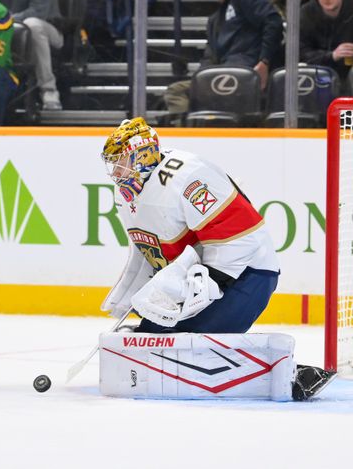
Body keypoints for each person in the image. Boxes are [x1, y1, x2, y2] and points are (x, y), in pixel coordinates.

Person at [98, 117, 334, 400]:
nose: (116, 169)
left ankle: (289, 371)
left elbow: (239, 238)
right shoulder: (128, 191)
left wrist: (196, 291)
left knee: (188, 345)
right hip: (196, 277)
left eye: (121, 161)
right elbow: (149, 246)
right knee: (150, 340)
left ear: (142, 156)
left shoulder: (189, 176)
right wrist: (142, 290)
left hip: (247, 274)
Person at [163, 0, 283, 116]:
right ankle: (193, 130)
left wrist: (264, 62)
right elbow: (209, 57)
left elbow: (273, 21)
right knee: (176, 91)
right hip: (221, 77)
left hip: (244, 74)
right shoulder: (215, 20)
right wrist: (202, 79)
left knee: (176, 92)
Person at [300, 0, 353, 91]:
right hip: (316, 71)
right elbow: (301, 52)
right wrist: (332, 55)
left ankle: (349, 111)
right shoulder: (306, 13)